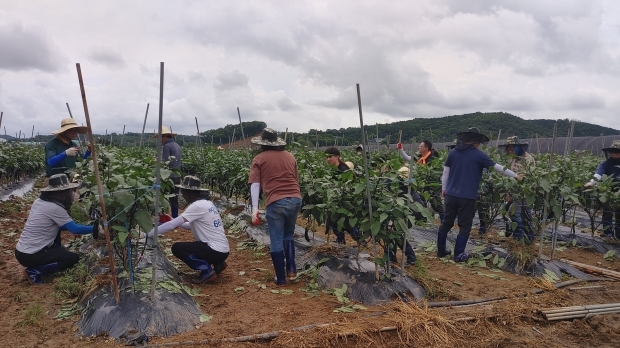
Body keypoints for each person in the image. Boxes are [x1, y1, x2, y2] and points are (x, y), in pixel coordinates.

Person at [437, 128, 522, 262]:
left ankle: (441, 251)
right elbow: (498, 168)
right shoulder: (478, 155)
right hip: (467, 196)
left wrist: (444, 188)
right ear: (475, 142)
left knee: (446, 223)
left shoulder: (453, 152)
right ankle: (459, 255)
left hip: (451, 195)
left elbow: (445, 172)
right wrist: (516, 175)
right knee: (465, 226)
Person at [15, 174, 98, 284]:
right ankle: (34, 271)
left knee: (59, 246)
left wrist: (71, 228)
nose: (69, 194)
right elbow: (75, 229)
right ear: (60, 193)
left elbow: (56, 226)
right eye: (67, 191)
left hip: (21, 251)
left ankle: (45, 260)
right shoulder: (55, 208)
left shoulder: (39, 202)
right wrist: (97, 229)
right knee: (72, 259)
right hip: (31, 255)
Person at [147, 175, 229, 284]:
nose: (182, 194)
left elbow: (171, 225)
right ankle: (218, 264)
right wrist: (172, 219)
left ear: (189, 192)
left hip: (214, 250)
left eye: (183, 191)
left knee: (178, 248)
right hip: (223, 251)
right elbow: (191, 225)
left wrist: (147, 234)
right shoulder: (207, 204)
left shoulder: (197, 206)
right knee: (198, 246)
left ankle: (206, 270)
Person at [249, 128, 302, 286]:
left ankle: (280, 278)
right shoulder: (290, 156)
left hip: (276, 201)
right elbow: (296, 180)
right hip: (295, 199)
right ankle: (291, 271)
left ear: (262, 144)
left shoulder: (259, 158)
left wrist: (254, 208)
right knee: (288, 234)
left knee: (276, 239)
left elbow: (255, 184)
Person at [498, 136, 536, 241]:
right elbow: (512, 176)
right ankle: (524, 240)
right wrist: (509, 193)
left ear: (518, 147)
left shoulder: (527, 159)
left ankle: (520, 240)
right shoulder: (515, 158)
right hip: (516, 192)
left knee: (521, 216)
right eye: (508, 148)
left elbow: (521, 178)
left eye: (512, 148)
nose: (510, 150)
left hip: (524, 193)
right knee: (521, 216)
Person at [397, 139, 445, 221]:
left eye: (420, 146)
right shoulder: (420, 157)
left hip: (432, 185)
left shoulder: (432, 159)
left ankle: (444, 219)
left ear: (426, 148)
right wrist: (401, 149)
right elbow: (408, 158)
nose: (419, 147)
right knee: (422, 202)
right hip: (422, 184)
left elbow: (438, 173)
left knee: (436, 204)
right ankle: (424, 218)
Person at [324, 147, 360, 244]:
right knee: (335, 221)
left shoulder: (343, 170)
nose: (328, 159)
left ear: (337, 157)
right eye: (326, 157)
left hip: (345, 201)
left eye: (330, 157)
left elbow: (350, 186)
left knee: (346, 223)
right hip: (337, 200)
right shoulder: (334, 169)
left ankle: (360, 240)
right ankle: (340, 240)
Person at [585, 140, 620, 238]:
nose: (614, 154)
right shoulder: (606, 164)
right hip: (608, 192)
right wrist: (592, 182)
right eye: (612, 152)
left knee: (619, 215)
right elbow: (599, 173)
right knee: (607, 212)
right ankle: (608, 233)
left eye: (617, 152)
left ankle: (618, 236)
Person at [156, 126, 182, 218]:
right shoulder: (177, 145)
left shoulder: (167, 146)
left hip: (168, 177)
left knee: (162, 198)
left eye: (160, 138)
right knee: (174, 198)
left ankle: (163, 218)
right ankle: (175, 218)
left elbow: (165, 163)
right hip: (177, 176)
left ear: (164, 136)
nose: (160, 140)